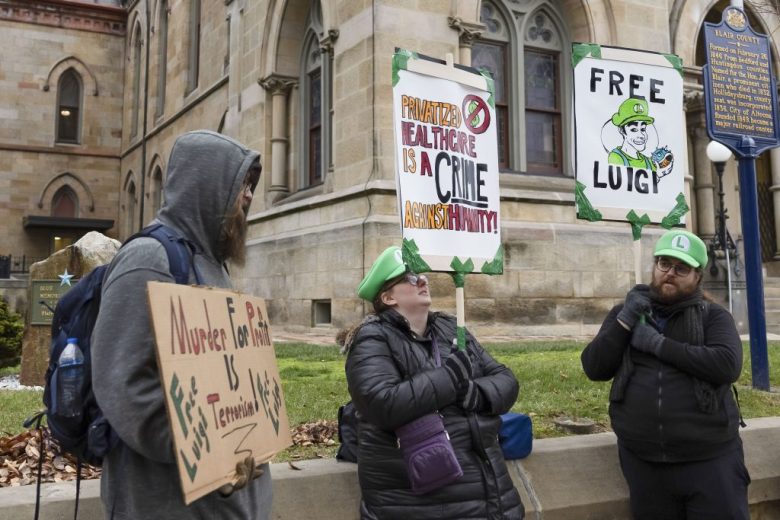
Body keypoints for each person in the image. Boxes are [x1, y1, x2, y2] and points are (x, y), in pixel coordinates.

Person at [91, 130, 270, 519]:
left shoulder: (210, 263)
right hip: (164, 499)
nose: (249, 196)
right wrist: (207, 449)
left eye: (250, 185)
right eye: (241, 184)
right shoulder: (148, 259)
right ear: (205, 185)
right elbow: (123, 385)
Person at [343, 246, 524, 520]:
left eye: (423, 274)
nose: (423, 280)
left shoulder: (452, 328)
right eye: (411, 277)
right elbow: (380, 403)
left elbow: (505, 379)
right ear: (388, 296)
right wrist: (449, 379)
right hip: (423, 500)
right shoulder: (372, 338)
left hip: (490, 492)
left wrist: (477, 394)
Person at [581, 230, 749, 520]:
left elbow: (726, 364)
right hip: (644, 463)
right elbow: (594, 367)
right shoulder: (627, 313)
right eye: (664, 264)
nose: (670, 273)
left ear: (697, 276)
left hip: (709, 461)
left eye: (681, 268)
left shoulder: (713, 316)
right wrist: (624, 321)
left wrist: (658, 345)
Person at [607, 97, 673, 178]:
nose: (641, 135)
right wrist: (655, 177)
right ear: (621, 130)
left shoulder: (648, 162)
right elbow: (623, 183)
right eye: (634, 129)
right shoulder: (616, 157)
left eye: (643, 129)